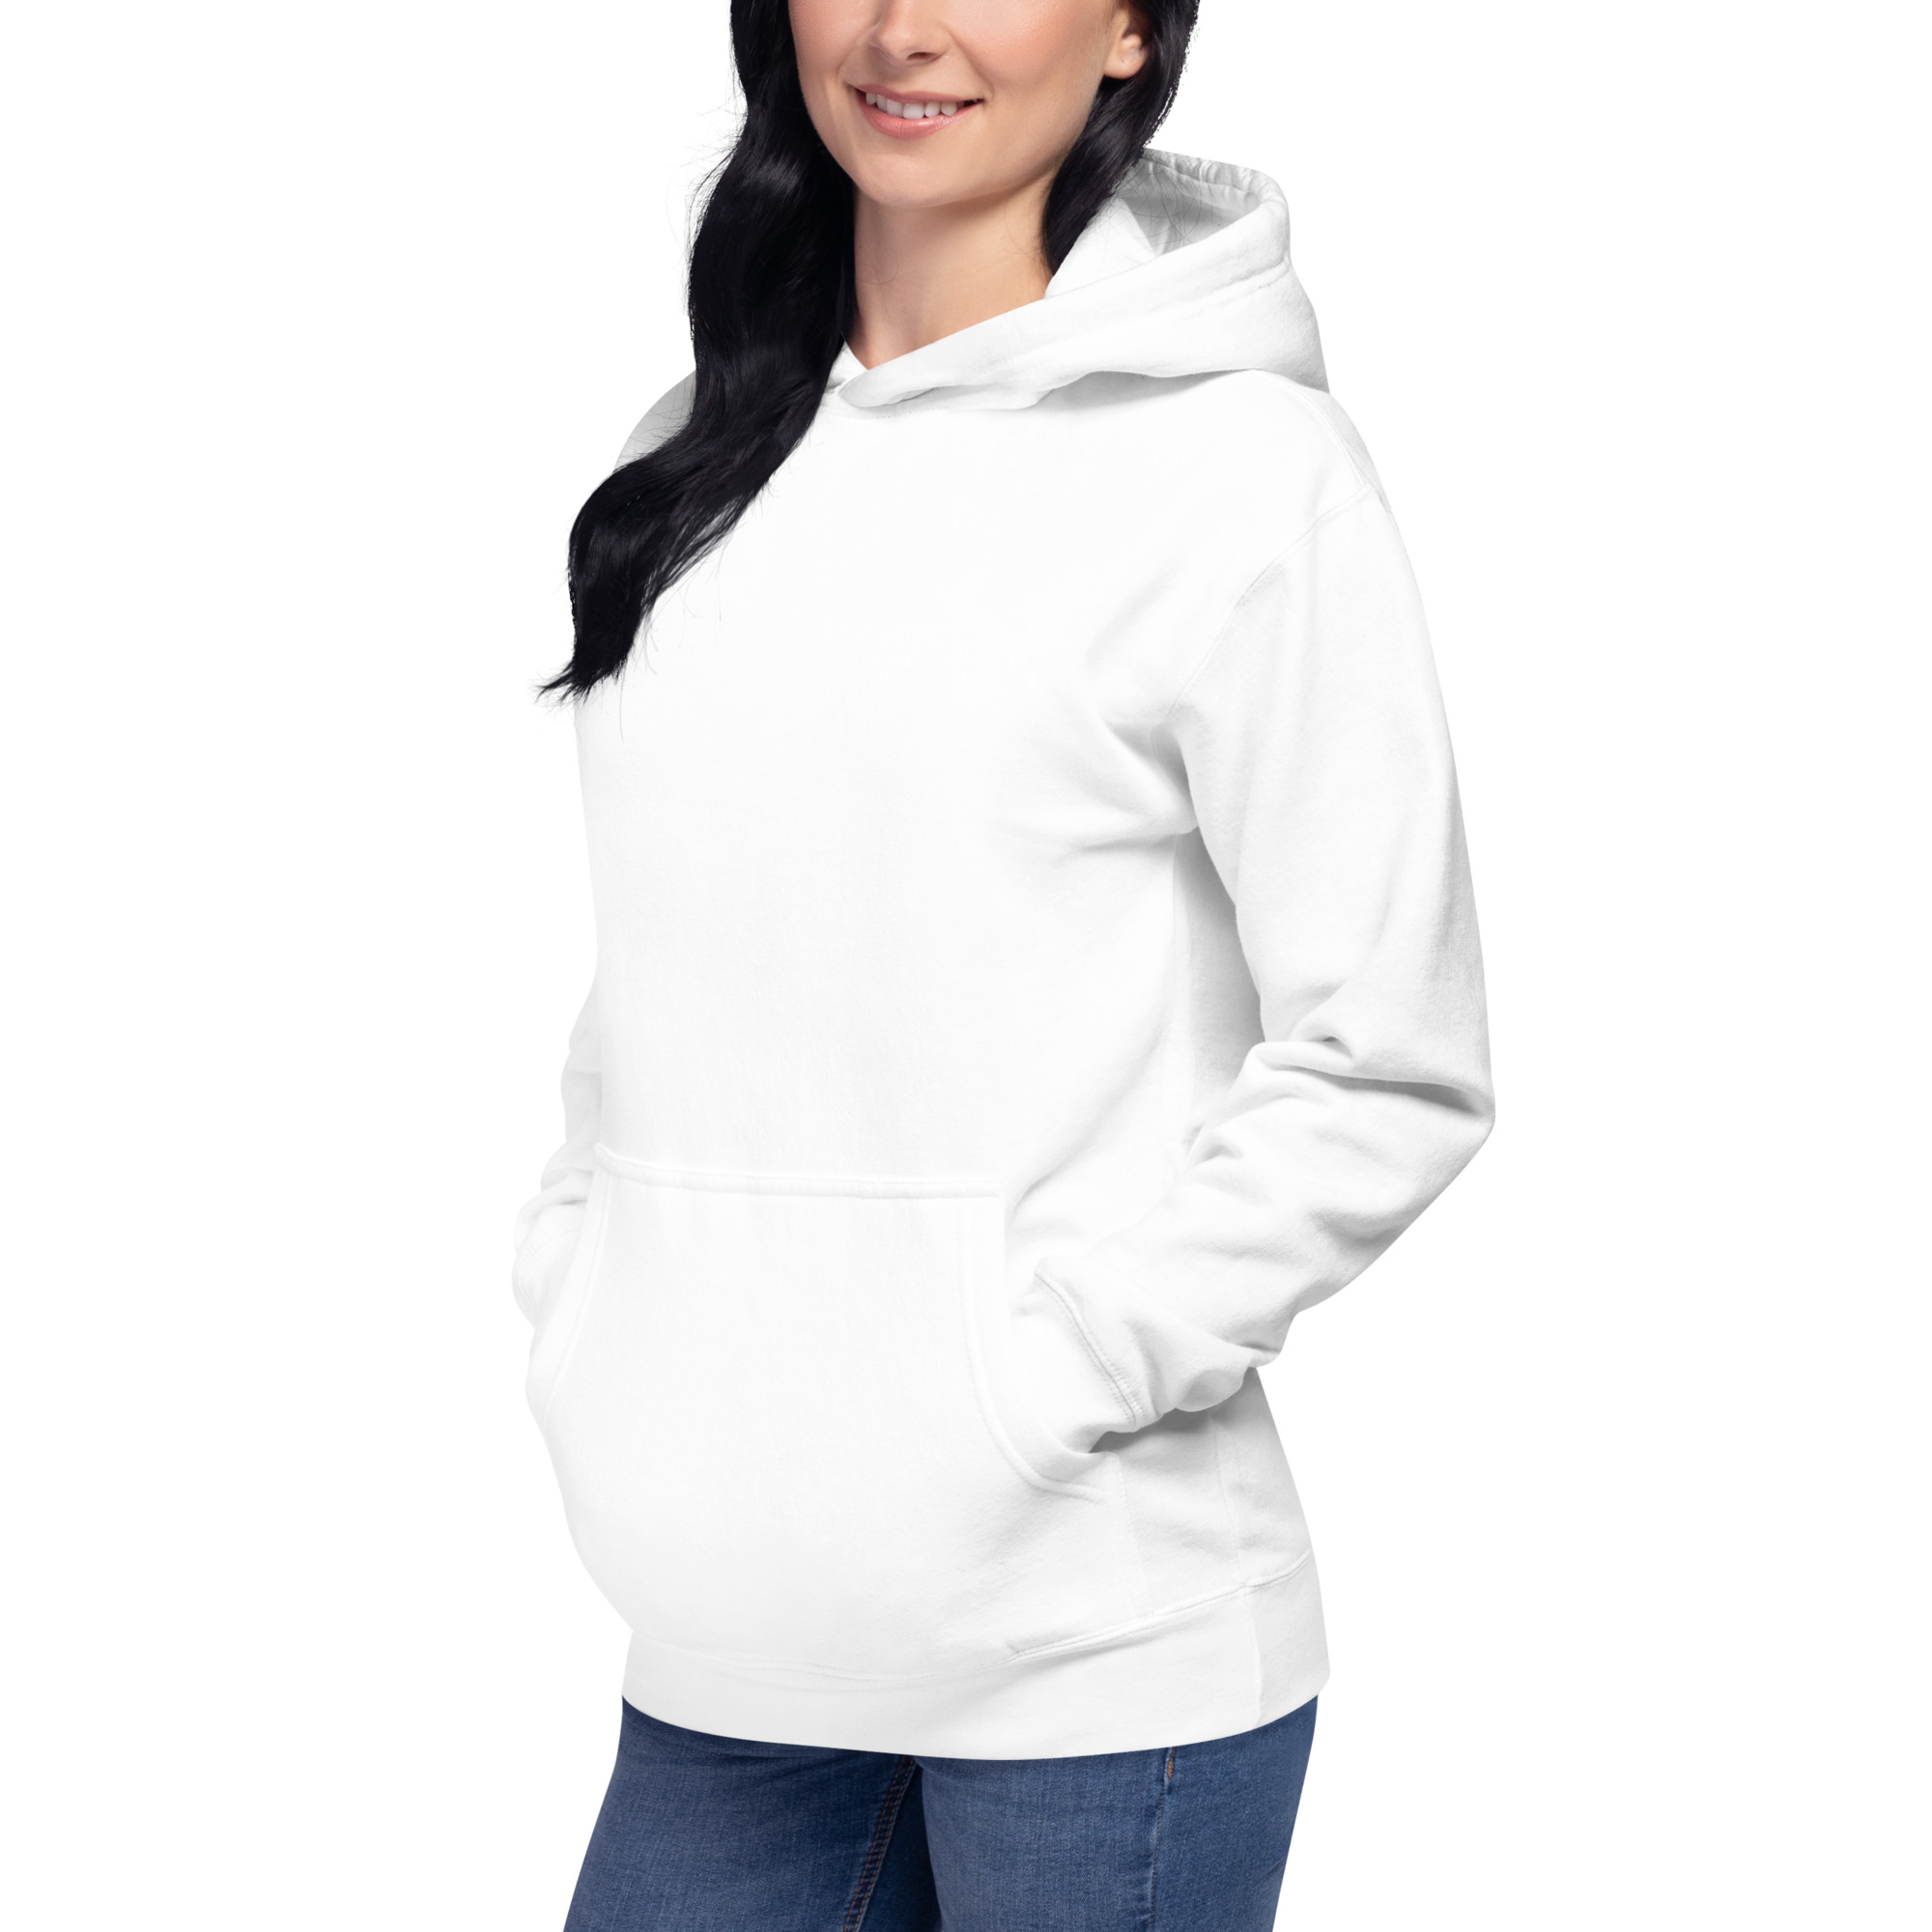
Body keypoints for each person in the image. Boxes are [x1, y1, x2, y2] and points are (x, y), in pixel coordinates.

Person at [511, 2, 1493, 1924]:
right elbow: (671, 970)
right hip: (730, 1633)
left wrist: (1035, 1389)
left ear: (1128, 26)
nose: (905, 29)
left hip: (1095, 1642)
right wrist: (589, 1298)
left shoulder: (1239, 473)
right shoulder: (694, 459)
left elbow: (1389, 1058)